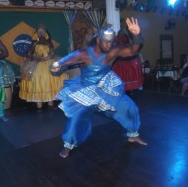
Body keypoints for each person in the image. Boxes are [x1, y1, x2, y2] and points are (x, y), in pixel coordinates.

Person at [50, 17, 147, 158]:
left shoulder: (112, 52)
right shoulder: (84, 54)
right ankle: (68, 145)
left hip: (106, 88)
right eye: (106, 41)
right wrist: (56, 65)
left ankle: (133, 134)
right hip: (86, 90)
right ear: (98, 40)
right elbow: (66, 60)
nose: (109, 45)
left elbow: (132, 50)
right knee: (77, 117)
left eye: (111, 42)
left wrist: (136, 35)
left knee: (129, 106)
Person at [19, 24, 69, 110]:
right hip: (36, 64)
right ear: (36, 33)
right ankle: (39, 102)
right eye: (39, 32)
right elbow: (29, 54)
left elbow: (52, 52)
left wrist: (48, 57)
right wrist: (35, 57)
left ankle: (50, 100)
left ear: (46, 33)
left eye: (43, 32)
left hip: (48, 62)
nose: (41, 34)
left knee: (51, 79)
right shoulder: (34, 43)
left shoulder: (48, 43)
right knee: (37, 80)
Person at [112, 28, 144, 92]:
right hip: (121, 60)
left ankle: (130, 88)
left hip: (128, 59)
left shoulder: (126, 39)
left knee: (129, 74)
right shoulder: (116, 39)